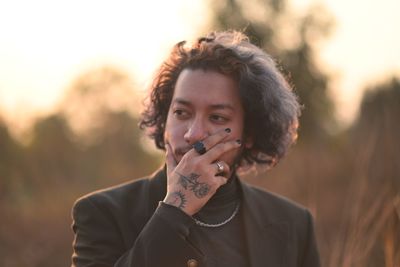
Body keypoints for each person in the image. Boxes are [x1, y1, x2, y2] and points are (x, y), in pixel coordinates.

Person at [71, 30, 320, 267]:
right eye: (181, 113)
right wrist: (174, 211)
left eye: (218, 118)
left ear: (250, 134)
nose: (193, 134)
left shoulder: (294, 224)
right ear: (164, 119)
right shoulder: (102, 213)